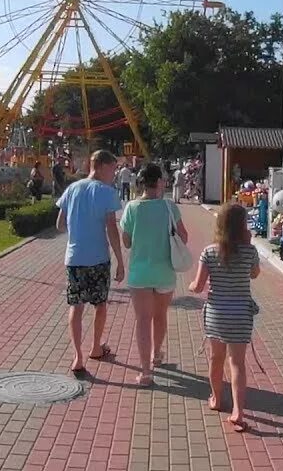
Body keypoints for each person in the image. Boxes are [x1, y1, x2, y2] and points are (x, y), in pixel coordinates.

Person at [189, 203, 260, 432]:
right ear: (242, 226)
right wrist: (249, 245)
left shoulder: (209, 252)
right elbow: (254, 274)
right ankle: (238, 411)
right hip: (240, 314)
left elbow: (198, 287)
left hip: (217, 313)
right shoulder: (249, 251)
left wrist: (191, 285)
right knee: (237, 363)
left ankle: (217, 398)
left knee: (216, 358)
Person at [56, 150, 126, 376]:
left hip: (74, 258)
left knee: (75, 307)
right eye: (113, 169)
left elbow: (60, 224)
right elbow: (112, 229)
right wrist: (120, 261)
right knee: (100, 304)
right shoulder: (106, 192)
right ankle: (96, 347)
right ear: (103, 166)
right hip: (98, 258)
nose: (114, 174)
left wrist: (78, 228)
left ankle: (77, 356)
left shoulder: (72, 189)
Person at [120, 164, 188, 386]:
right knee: (160, 316)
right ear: (160, 182)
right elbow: (184, 237)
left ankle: (146, 372)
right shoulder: (169, 207)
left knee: (142, 320)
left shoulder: (132, 208)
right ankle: (156, 353)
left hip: (139, 273)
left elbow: (127, 242)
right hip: (165, 272)